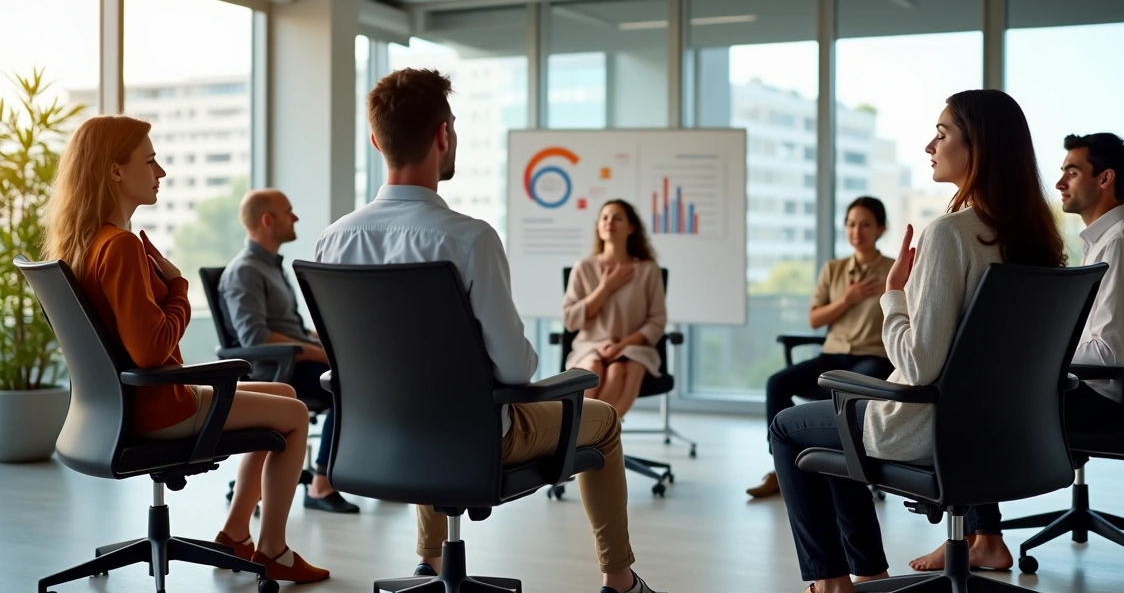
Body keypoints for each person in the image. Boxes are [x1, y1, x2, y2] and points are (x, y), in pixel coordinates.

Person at [313, 68, 662, 593]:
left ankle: (428, 565)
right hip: (478, 441)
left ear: (375, 140)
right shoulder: (469, 240)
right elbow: (517, 369)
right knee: (604, 419)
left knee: (428, 400)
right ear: (443, 135)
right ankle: (620, 582)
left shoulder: (333, 242)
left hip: (377, 439)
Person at [769, 89, 1066, 593]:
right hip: (1010, 434)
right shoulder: (1036, 237)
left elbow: (920, 364)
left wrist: (892, 296)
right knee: (839, 421)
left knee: (789, 426)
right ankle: (867, 573)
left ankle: (832, 581)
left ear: (979, 148)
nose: (930, 145)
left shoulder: (951, 234)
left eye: (943, 133)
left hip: (933, 428)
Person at [41, 116, 328, 583]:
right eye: (150, 161)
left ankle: (236, 533)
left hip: (117, 409)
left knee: (285, 400)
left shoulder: (86, 244)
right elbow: (152, 352)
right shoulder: (120, 248)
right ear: (115, 171)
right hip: (158, 409)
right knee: (295, 416)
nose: (162, 172)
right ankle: (273, 549)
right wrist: (177, 286)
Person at [908, 132, 1124, 573]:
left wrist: (1036, 353)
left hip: (1099, 400)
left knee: (974, 400)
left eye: (1072, 171)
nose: (1060, 182)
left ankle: (979, 535)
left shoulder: (1120, 243)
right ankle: (981, 535)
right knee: (985, 387)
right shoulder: (1107, 240)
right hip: (1096, 392)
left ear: (1105, 179)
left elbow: (1105, 352)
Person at [218, 188, 359, 514]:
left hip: (295, 362)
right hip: (276, 371)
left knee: (351, 373)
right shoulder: (246, 271)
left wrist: (330, 343)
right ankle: (321, 487)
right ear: (267, 221)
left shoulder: (271, 267)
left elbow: (292, 328)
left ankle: (327, 476)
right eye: (288, 212)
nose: (295, 217)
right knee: (347, 386)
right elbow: (255, 336)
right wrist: (321, 354)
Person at [747, 196, 896, 499]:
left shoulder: (894, 271)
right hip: (834, 354)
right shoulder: (833, 270)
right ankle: (782, 464)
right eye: (851, 224)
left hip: (873, 356)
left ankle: (843, 471)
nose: (857, 231)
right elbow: (815, 319)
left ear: (880, 228)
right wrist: (847, 299)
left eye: (865, 224)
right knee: (776, 383)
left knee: (846, 392)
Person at [563, 199, 666, 418]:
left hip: (634, 347)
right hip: (590, 346)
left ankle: (598, 431)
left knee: (623, 368)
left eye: (617, 218)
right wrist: (605, 287)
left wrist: (622, 345)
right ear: (598, 227)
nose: (610, 222)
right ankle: (595, 432)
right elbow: (571, 320)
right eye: (605, 217)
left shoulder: (648, 271)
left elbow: (657, 321)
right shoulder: (584, 268)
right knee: (593, 368)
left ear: (631, 228)